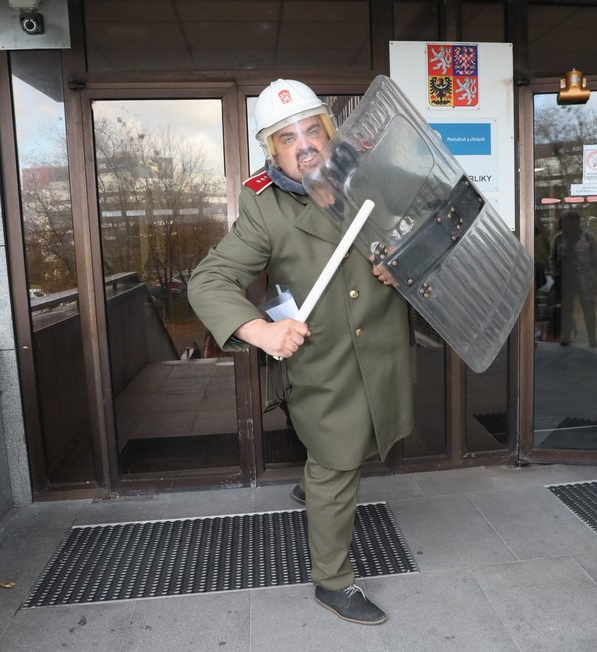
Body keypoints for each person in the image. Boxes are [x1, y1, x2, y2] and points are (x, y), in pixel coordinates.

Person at [187, 79, 413, 626]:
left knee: (353, 446)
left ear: (332, 134)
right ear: (272, 150)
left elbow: (424, 231)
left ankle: (312, 481)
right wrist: (260, 332)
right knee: (336, 463)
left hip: (380, 349)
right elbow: (209, 280)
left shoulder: (377, 179)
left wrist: (403, 261)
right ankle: (333, 583)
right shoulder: (264, 206)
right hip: (322, 360)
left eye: (313, 129)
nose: (304, 144)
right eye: (288, 137)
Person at [548, 210, 597, 347]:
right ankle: (566, 335)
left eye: (568, 221)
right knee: (566, 310)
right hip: (566, 281)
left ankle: (592, 338)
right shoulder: (558, 238)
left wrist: (596, 279)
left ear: (576, 222)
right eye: (563, 221)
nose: (565, 224)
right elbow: (552, 259)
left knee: (589, 309)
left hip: (585, 280)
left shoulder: (587, 237)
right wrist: (555, 273)